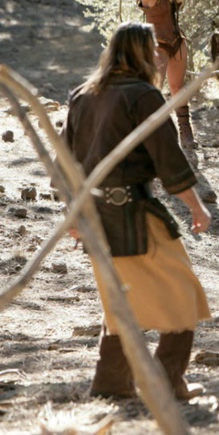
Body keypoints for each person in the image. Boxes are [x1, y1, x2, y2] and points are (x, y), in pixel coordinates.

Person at [61, 21, 211, 400]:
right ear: (140, 53)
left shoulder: (82, 95)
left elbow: (66, 166)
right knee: (183, 294)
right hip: (133, 215)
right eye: (153, 49)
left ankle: (111, 383)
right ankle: (164, 382)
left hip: (94, 217)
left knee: (120, 301)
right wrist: (196, 207)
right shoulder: (143, 96)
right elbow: (167, 157)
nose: (160, 58)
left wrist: (74, 217)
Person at [136, 0, 195, 149]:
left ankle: (185, 134)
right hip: (156, 44)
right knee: (153, 91)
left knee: (178, 88)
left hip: (177, 42)